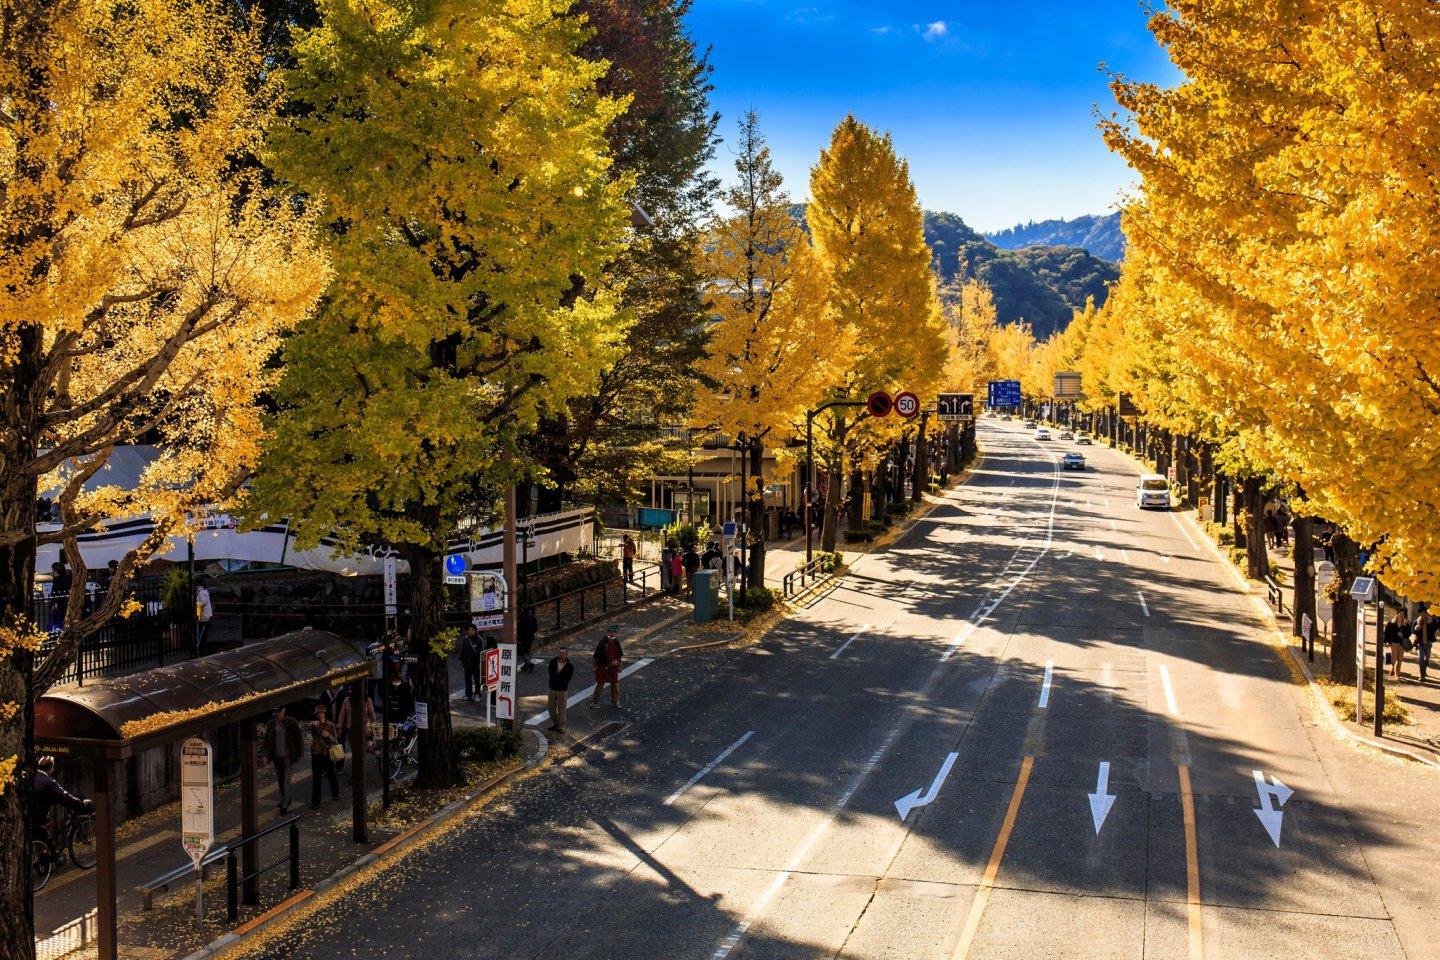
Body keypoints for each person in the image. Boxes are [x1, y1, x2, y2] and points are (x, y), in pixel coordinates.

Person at [31, 756, 91, 847]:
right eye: (52, 767)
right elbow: (65, 796)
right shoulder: (49, 782)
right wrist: (81, 803)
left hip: (29, 817)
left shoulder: (31, 777)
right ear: (50, 768)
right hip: (40, 818)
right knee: (47, 844)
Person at [261, 706, 305, 815]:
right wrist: (265, 755)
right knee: (280, 780)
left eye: (279, 714)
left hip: (288, 757)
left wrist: (300, 753)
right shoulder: (272, 724)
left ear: (284, 711)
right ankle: (286, 798)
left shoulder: (291, 723)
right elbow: (266, 740)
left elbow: (299, 738)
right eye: (276, 714)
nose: (277, 716)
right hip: (277, 757)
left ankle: (284, 805)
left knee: (286, 781)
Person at [308, 702, 341, 809]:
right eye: (317, 714)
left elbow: (335, 741)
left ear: (324, 713)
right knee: (316, 778)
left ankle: (335, 792)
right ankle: (315, 802)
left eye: (321, 713)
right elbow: (308, 727)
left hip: (327, 753)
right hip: (316, 753)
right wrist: (312, 725)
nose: (319, 715)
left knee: (331, 774)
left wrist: (328, 736)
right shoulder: (315, 725)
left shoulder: (330, 725)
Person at [591, 625, 623, 709]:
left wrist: (620, 666)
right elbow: (597, 656)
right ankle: (594, 703)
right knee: (600, 684)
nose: (612, 634)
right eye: (610, 632)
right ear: (607, 632)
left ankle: (615, 702)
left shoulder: (616, 642)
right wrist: (595, 666)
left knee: (615, 684)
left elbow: (619, 655)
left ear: (616, 634)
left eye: (613, 632)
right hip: (603, 666)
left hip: (614, 666)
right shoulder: (602, 642)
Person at [546, 646, 574, 734]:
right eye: (560, 653)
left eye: (563, 653)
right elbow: (551, 673)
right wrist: (555, 681)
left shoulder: (570, 666)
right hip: (553, 688)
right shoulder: (553, 662)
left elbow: (567, 678)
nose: (562, 654)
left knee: (562, 708)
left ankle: (560, 725)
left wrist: (558, 680)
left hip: (562, 689)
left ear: (566, 654)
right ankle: (555, 723)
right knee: (551, 707)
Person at [459, 626, 484, 700]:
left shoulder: (479, 639)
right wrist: (460, 659)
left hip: (476, 664)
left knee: (477, 680)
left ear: (475, 631)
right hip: (467, 663)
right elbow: (463, 650)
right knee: (467, 679)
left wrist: (480, 663)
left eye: (472, 630)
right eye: (469, 630)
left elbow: (481, 652)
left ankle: (477, 694)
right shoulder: (465, 639)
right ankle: (468, 694)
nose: (470, 631)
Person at [1384, 609, 1409, 680]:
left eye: (1403, 614)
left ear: (1404, 615)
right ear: (1397, 614)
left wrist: (1403, 634)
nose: (1401, 615)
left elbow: (1409, 633)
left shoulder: (1405, 624)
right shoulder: (1391, 623)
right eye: (1400, 614)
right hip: (1393, 642)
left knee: (1400, 659)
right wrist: (1386, 641)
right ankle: (1392, 667)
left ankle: (1397, 674)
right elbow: (1386, 632)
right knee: (1394, 657)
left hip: (1401, 643)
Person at [193, 575, 213, 657]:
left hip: (204, 617)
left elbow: (199, 605)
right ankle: (200, 650)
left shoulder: (201, 593)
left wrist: (197, 615)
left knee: (201, 635)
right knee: (202, 634)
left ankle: (198, 650)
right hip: (205, 616)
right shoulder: (204, 591)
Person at [518, 606, 539, 673]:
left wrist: (518, 638)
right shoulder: (532, 618)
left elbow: (519, 629)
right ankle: (526, 665)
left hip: (523, 638)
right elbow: (536, 627)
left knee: (522, 651)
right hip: (531, 637)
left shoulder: (521, 618)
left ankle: (529, 663)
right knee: (528, 651)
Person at [1414, 607, 1433, 683]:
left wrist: (1430, 623)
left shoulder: (1431, 621)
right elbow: (1413, 631)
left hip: (1428, 643)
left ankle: (1424, 670)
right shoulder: (1417, 621)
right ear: (1419, 614)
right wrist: (1417, 627)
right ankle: (1422, 676)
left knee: (1427, 660)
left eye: (1424, 612)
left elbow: (1434, 629)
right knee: (1421, 659)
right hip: (1420, 643)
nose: (1423, 614)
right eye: (1421, 613)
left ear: (1426, 613)